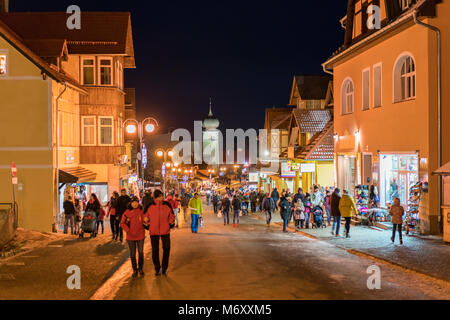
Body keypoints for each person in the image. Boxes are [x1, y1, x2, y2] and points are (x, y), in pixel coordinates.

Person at [144, 190, 175, 276]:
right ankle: (157, 268)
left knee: (167, 248)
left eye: (162, 196)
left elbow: (171, 215)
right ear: (156, 197)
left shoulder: (166, 204)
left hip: (165, 230)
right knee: (155, 250)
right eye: (160, 196)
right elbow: (145, 216)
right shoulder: (150, 205)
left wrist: (170, 224)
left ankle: (164, 268)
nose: (161, 197)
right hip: (153, 231)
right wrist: (148, 225)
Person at [121, 197, 146, 278]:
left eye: (136, 202)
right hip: (130, 236)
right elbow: (122, 223)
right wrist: (128, 230)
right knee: (132, 254)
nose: (135, 204)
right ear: (131, 203)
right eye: (133, 202)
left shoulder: (141, 211)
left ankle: (140, 268)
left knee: (141, 252)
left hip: (140, 235)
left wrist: (147, 222)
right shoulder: (127, 212)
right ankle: (135, 269)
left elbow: (145, 220)